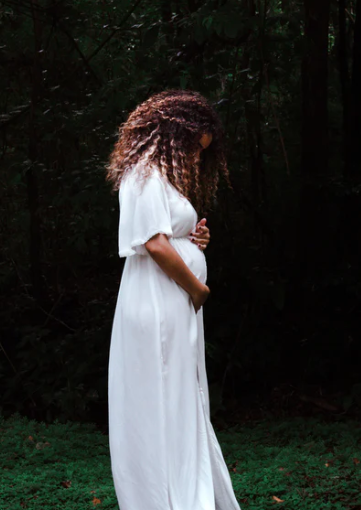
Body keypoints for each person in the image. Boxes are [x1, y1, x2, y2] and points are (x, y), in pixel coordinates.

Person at [106, 89, 241, 510]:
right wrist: (197, 289)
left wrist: (195, 238)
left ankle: (188, 488)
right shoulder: (143, 173)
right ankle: (165, 498)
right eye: (195, 147)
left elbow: (169, 236)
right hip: (159, 302)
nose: (197, 158)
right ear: (173, 135)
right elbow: (154, 243)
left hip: (173, 301)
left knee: (181, 396)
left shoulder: (161, 179)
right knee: (162, 398)